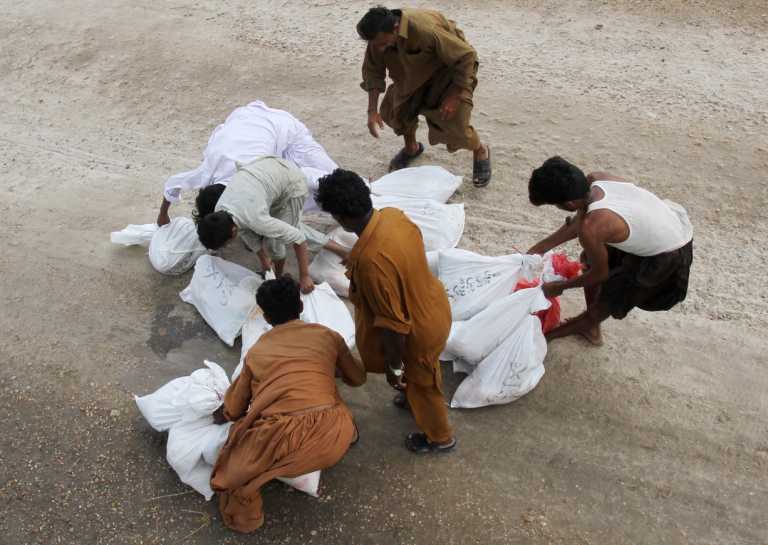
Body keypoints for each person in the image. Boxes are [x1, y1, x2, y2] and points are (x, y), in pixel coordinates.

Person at [315, 168, 456, 454]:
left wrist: (395, 367)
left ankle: (440, 437)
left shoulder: (371, 263)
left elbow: (394, 326)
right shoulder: (393, 217)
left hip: (418, 330)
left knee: (424, 382)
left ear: (339, 218)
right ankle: (409, 394)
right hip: (432, 303)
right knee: (418, 377)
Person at [210, 275, 366, 533]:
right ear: (301, 307)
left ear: (267, 318)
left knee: (229, 475)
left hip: (282, 439)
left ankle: (246, 522)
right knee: (329, 395)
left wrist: (221, 414)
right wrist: (329, 367)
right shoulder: (328, 336)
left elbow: (235, 409)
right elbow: (358, 378)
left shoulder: (257, 352)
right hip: (335, 434)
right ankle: (351, 434)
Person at [527, 156, 694, 345]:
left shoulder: (593, 227)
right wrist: (538, 249)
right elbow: (580, 222)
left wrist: (559, 287)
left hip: (667, 251)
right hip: (661, 226)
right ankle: (590, 326)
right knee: (589, 260)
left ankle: (554, 336)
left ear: (569, 205)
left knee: (609, 300)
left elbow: (600, 274)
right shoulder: (596, 180)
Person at [357, 6, 491, 187]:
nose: (379, 49)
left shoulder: (424, 30)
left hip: (446, 76)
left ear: (396, 28)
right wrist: (372, 110)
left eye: (382, 43)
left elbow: (466, 56)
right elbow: (373, 72)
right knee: (397, 112)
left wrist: (454, 95)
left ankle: (480, 150)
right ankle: (411, 148)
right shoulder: (378, 38)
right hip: (410, 78)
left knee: (457, 126)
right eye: (375, 45)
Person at [157, 100, 337, 225]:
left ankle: (364, 191)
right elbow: (173, 183)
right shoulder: (207, 173)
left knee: (332, 181)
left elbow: (302, 179)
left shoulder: (258, 175)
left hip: (285, 130)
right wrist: (162, 216)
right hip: (244, 120)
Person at [196, 156, 348, 293]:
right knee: (285, 228)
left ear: (233, 231)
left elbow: (298, 239)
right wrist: (264, 261)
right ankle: (277, 272)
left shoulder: (256, 219)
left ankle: (279, 276)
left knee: (277, 242)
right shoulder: (220, 210)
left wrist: (304, 276)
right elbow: (246, 233)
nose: (228, 246)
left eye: (226, 243)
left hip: (291, 185)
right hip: (267, 172)